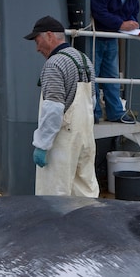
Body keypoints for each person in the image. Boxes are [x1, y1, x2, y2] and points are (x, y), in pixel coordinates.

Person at [24, 16, 100, 197]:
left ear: (49, 35)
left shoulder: (54, 64)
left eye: (37, 41)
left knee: (54, 196)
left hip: (62, 141)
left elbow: (53, 109)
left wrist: (42, 145)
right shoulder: (84, 60)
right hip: (86, 136)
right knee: (85, 193)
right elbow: (93, 101)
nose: (37, 48)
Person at [90, 0, 140, 123]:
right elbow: (97, 10)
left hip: (111, 36)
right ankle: (93, 113)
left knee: (112, 77)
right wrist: (121, 24)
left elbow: (133, 11)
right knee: (93, 76)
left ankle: (116, 113)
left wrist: (132, 24)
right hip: (95, 35)